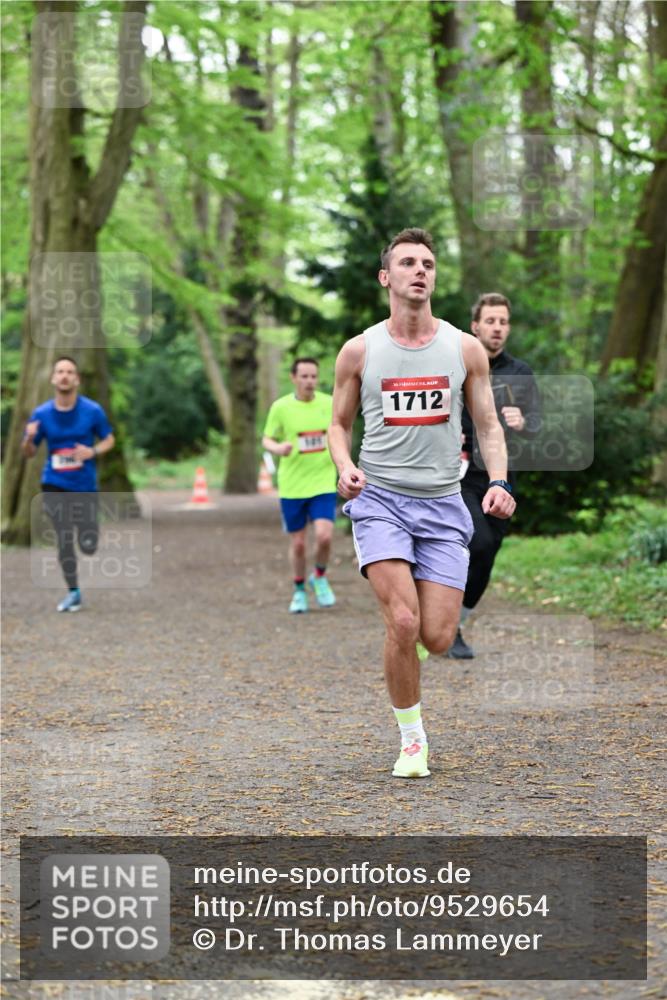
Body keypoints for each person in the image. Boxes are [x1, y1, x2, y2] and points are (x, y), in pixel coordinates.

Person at [328, 228, 516, 779]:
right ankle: (412, 739)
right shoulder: (360, 350)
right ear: (387, 277)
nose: (420, 271)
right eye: (408, 263)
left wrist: (501, 483)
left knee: (436, 635)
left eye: (428, 264)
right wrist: (345, 468)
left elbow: (486, 424)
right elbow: (338, 425)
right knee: (404, 621)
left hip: (442, 502)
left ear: (435, 277)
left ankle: (411, 673)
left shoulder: (464, 348)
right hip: (381, 498)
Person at [448, 293, 540, 659]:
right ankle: (443, 621)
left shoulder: (520, 373)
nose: (497, 328)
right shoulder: (458, 365)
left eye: (503, 322)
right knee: (477, 542)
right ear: (475, 326)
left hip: (503, 475)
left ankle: (456, 623)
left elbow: (536, 422)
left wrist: (525, 422)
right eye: (490, 321)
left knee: (489, 552)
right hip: (464, 473)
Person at [21, 356, 115, 612]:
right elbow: (29, 452)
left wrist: (92, 452)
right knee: (63, 537)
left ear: (76, 379)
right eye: (60, 371)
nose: (64, 376)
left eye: (69, 372)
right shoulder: (41, 414)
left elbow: (109, 439)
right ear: (53, 378)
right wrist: (29, 438)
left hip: (84, 484)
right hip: (54, 483)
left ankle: (89, 536)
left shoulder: (92, 411)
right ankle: (73, 591)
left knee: (88, 544)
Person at [262, 357, 338, 614]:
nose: (309, 381)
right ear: (294, 378)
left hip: (323, 482)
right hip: (293, 484)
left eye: (313, 376)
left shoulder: (329, 403)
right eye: (304, 376)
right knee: (298, 544)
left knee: (325, 536)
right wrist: (278, 448)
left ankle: (319, 575)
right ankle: (298, 590)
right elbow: (267, 439)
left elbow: (340, 431)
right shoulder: (281, 407)